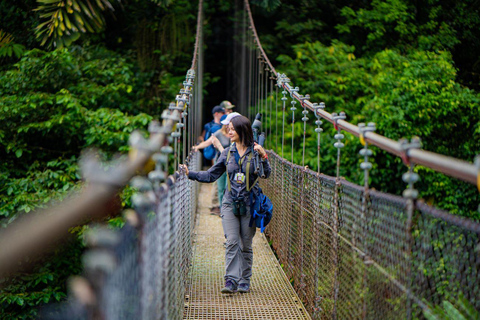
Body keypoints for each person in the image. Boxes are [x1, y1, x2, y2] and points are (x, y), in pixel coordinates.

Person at [180, 116, 271, 294]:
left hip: (249, 204)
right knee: (231, 241)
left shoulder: (255, 152)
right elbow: (211, 175)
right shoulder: (227, 153)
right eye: (228, 129)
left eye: (232, 129)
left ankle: (245, 280)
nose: (228, 132)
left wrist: (264, 156)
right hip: (229, 203)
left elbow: (266, 174)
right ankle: (231, 280)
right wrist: (190, 174)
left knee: (245, 244)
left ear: (242, 131)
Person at [192, 114, 239, 211]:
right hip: (221, 162)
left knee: (229, 188)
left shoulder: (237, 136)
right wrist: (197, 147)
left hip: (233, 164)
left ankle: (229, 210)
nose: (227, 127)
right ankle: (223, 210)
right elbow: (208, 142)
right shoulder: (219, 133)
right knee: (221, 187)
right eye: (227, 125)